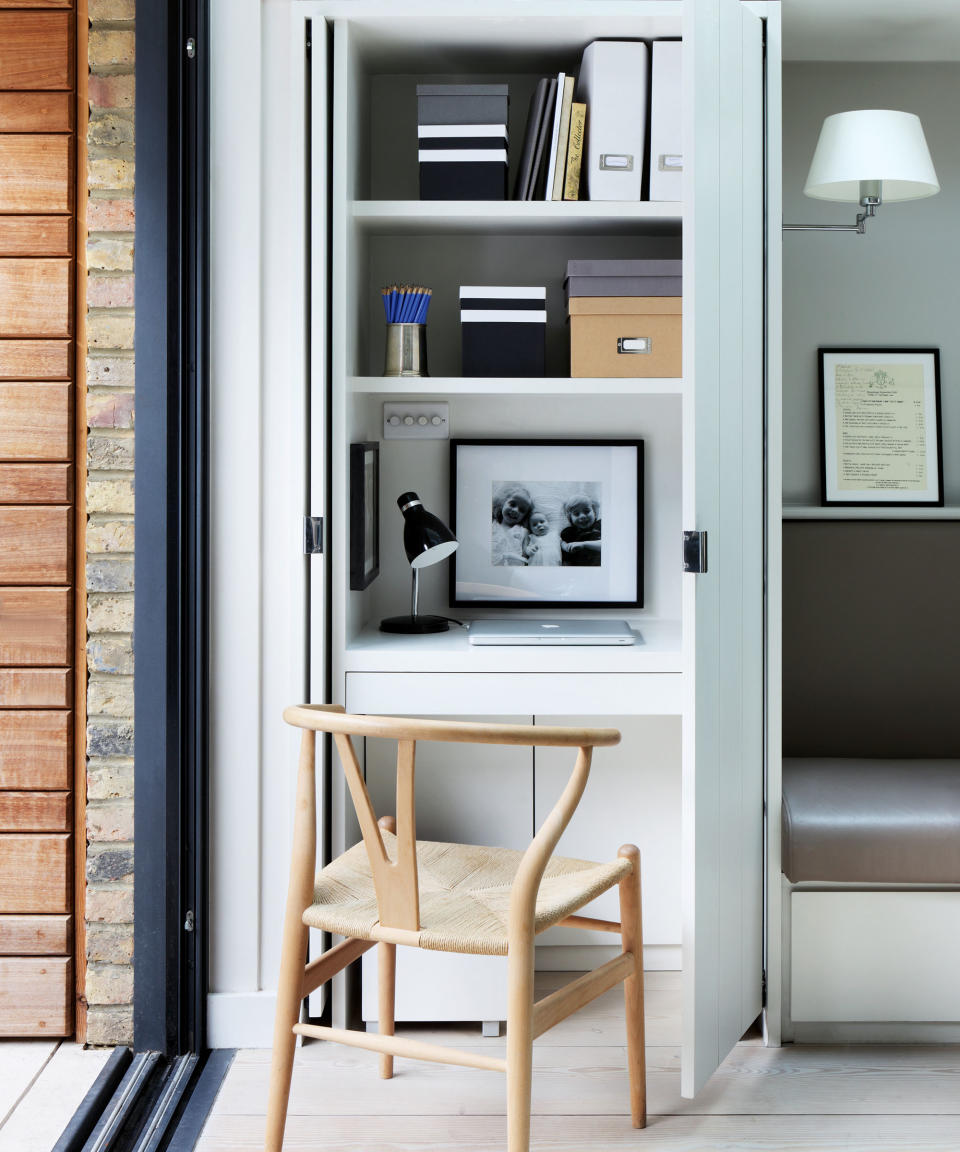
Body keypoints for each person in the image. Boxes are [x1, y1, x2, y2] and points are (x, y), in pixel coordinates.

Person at [491, 483, 532, 565]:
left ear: (524, 516)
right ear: (503, 503)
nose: (516, 510)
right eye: (512, 504)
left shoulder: (523, 532)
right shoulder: (492, 524)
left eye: (522, 510)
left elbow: (525, 555)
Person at [560, 494, 601, 566]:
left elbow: (608, 546)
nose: (582, 516)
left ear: (594, 512)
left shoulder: (600, 525)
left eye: (586, 511)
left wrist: (584, 544)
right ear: (570, 518)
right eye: (576, 514)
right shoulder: (568, 533)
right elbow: (566, 558)